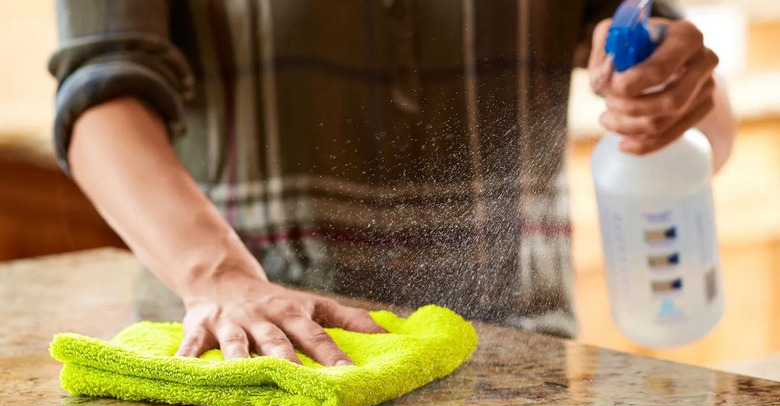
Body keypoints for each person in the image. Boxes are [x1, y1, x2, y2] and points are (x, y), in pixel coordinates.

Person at [49, 0, 734, 365]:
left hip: (517, 358)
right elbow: (99, 90)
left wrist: (669, 95)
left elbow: (706, 108)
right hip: (250, 357)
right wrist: (223, 277)